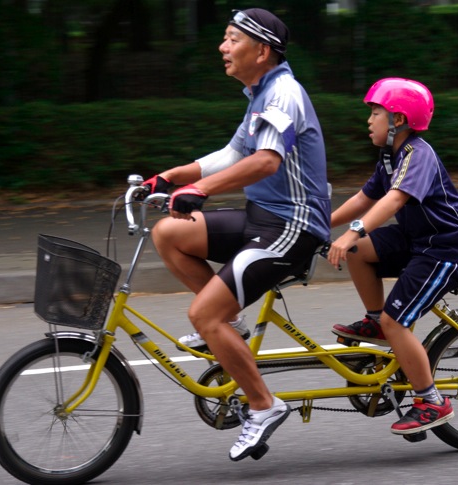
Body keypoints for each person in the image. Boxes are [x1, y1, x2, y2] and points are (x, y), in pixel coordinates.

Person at [142, 8, 330, 461]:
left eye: (232, 39)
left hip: (292, 227)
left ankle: (263, 405)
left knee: (203, 315)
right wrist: (170, 177)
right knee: (169, 234)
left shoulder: (282, 92)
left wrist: (200, 191)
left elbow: (266, 160)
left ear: (261, 50)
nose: (223, 47)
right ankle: (231, 324)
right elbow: (233, 154)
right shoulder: (260, 93)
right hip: (261, 217)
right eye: (225, 39)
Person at [326, 78, 458, 436]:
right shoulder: (389, 156)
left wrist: (353, 230)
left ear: (398, 120)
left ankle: (431, 400)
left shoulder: (418, 154)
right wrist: (319, 225)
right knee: (356, 251)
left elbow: (394, 201)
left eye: (375, 113)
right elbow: (366, 198)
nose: (369, 120)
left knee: (398, 321)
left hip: (446, 249)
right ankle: (374, 319)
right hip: (415, 240)